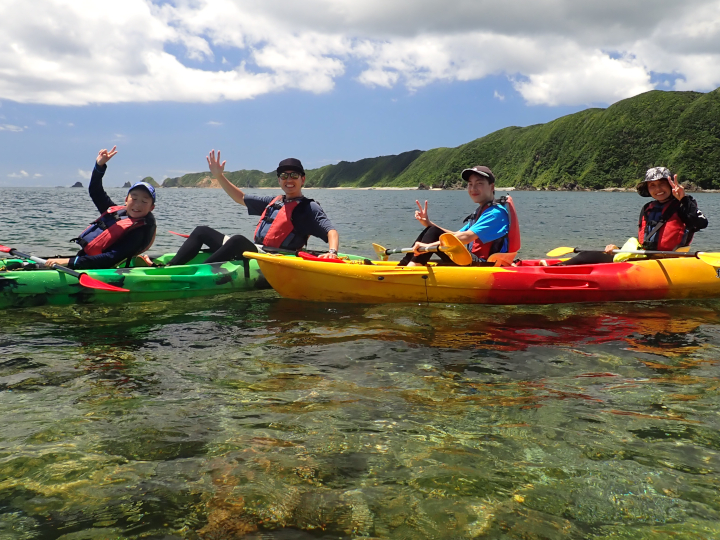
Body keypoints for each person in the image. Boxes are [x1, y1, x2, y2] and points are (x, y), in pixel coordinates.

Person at [168, 150, 340, 265]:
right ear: (279, 180)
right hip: (256, 251)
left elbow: (330, 231)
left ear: (302, 179)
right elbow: (241, 197)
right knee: (201, 231)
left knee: (237, 240)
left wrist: (332, 252)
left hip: (274, 259)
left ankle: (196, 274)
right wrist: (219, 176)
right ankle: (169, 267)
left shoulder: (308, 207)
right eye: (284, 176)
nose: (289, 180)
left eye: (294, 175)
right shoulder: (275, 201)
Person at [561, 167, 708, 265]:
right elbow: (645, 239)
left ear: (671, 185)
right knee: (588, 255)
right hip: (645, 257)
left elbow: (701, 223)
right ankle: (555, 268)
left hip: (669, 261)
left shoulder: (684, 205)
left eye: (662, 184)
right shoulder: (648, 208)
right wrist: (619, 249)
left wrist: (683, 199)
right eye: (652, 185)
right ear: (648, 189)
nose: (658, 189)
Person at [46, 146, 156, 269]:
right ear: (126, 200)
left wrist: (70, 262)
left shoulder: (139, 231)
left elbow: (111, 258)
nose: (137, 204)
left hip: (102, 268)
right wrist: (99, 166)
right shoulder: (115, 212)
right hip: (86, 260)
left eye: (144, 201)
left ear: (152, 208)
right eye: (134, 199)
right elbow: (95, 191)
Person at [399, 165, 520, 266]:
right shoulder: (482, 211)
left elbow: (465, 237)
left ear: (492, 187)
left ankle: (412, 268)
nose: (473, 188)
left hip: (484, 265)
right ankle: (404, 265)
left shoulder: (495, 213)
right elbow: (455, 235)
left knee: (435, 233)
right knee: (433, 230)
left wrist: (429, 246)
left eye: (479, 183)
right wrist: (428, 224)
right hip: (473, 261)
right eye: (470, 184)